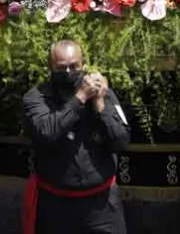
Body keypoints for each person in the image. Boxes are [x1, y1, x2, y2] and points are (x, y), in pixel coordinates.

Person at [21, 39, 130, 234]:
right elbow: (47, 133)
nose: (69, 72)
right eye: (62, 68)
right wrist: (80, 98)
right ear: (50, 67)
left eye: (74, 66)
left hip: (102, 205)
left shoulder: (102, 93)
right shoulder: (36, 97)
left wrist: (99, 104)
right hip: (57, 205)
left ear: (84, 65)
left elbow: (121, 141)